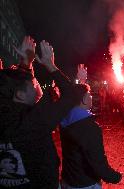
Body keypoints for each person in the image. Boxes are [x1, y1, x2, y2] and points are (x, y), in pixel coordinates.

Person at [0, 36, 76, 188]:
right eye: (33, 84)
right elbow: (72, 95)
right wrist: (50, 65)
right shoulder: (34, 120)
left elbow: (13, 86)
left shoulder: (7, 112)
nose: (36, 85)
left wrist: (26, 64)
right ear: (20, 96)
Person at [60, 83, 122, 189]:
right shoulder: (89, 127)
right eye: (89, 94)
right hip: (85, 182)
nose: (92, 96)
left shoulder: (65, 118)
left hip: (68, 178)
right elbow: (97, 161)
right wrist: (115, 177)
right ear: (84, 99)